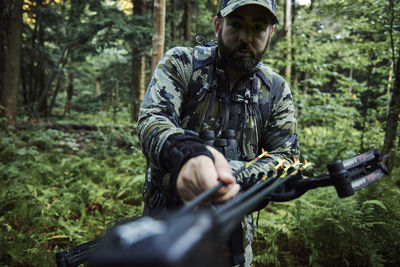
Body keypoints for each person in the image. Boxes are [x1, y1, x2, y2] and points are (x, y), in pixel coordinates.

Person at [137, 0, 299, 266]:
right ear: (217, 25)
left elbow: (287, 157)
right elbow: (152, 121)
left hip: (234, 238)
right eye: (236, 25)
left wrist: (226, 174)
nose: (245, 38)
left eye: (258, 28)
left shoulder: (275, 89)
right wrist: (190, 155)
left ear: (269, 33)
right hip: (164, 226)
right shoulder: (182, 64)